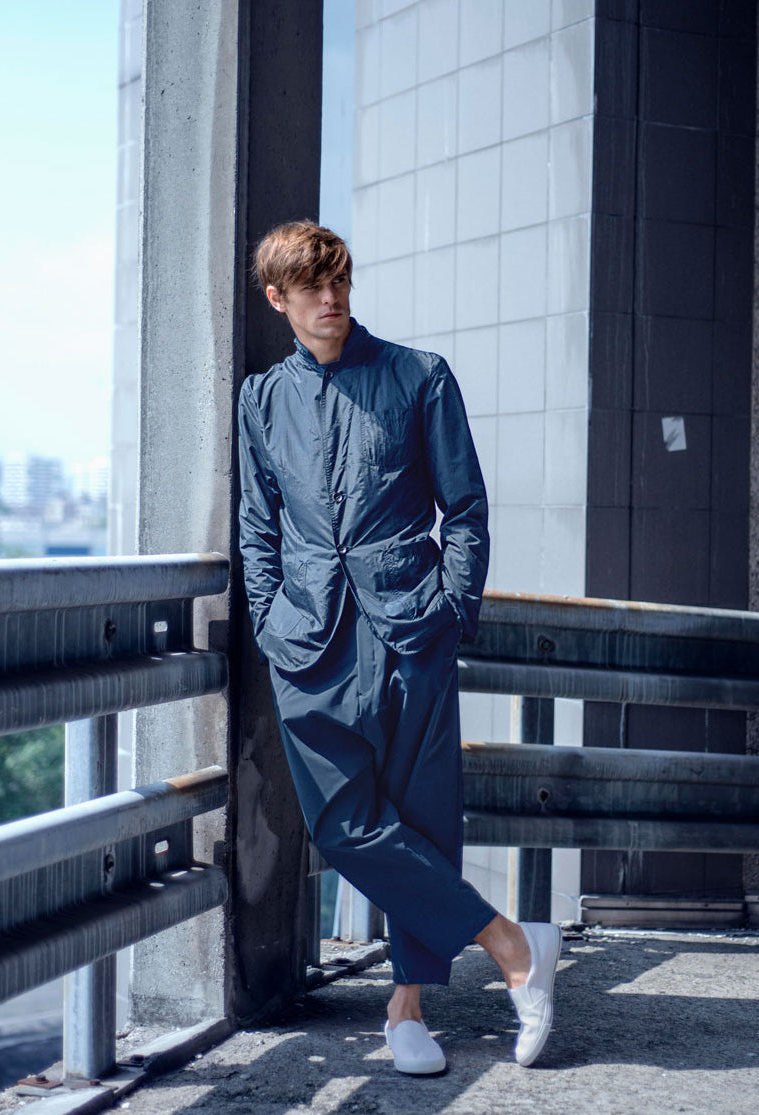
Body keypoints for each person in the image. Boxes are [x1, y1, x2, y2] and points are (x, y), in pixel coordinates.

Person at [237, 220, 561, 1073]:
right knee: (344, 824)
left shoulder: (419, 377)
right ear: (278, 298)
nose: (332, 298)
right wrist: (269, 617)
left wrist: (453, 610)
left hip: (411, 629)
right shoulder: (261, 399)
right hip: (307, 641)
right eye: (311, 287)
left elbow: (466, 509)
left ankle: (408, 1009)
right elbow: (256, 525)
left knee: (420, 816)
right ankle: (513, 946)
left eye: (339, 281)